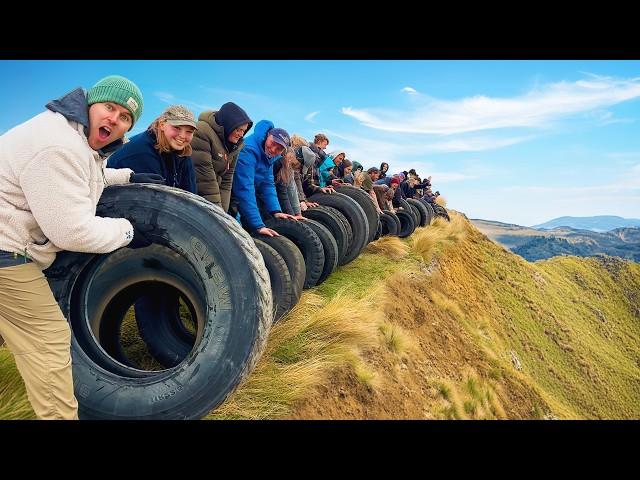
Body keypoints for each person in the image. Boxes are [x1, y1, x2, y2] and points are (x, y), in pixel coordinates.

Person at [0, 75, 162, 420]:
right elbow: (71, 232)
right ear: (91, 104)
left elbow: (81, 177)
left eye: (124, 118)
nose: (113, 120)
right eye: (109, 108)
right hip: (5, 251)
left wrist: (126, 177)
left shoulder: (75, 138)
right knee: (49, 340)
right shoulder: (58, 145)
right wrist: (129, 232)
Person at [108, 104, 198, 192]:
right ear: (162, 124)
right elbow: (152, 199)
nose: (182, 136)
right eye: (176, 128)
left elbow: (191, 193)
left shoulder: (182, 152)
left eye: (189, 132)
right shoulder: (142, 152)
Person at [230, 121, 297, 237]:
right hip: (230, 195)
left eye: (279, 149)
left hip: (243, 196)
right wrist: (258, 225)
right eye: (273, 143)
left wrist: (276, 211)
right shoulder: (249, 150)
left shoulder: (268, 156)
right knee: (234, 234)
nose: (273, 149)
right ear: (267, 136)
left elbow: (268, 184)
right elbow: (245, 187)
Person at [190, 102, 252, 213]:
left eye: (244, 130)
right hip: (194, 196)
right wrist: (217, 215)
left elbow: (227, 180)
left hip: (212, 200)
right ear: (229, 124)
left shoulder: (235, 145)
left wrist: (223, 213)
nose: (241, 134)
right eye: (238, 129)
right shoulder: (202, 132)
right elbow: (205, 179)